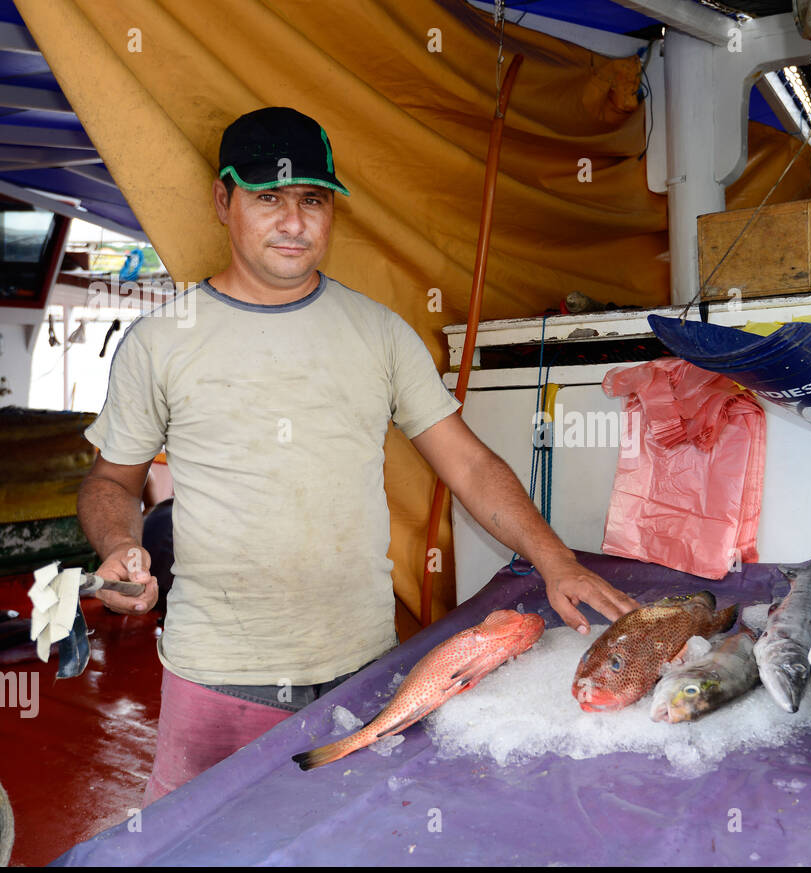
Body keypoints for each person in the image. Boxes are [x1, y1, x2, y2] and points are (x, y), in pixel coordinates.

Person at [78, 107, 638, 803]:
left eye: (312, 200)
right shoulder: (162, 341)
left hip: (362, 671)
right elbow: (111, 480)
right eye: (268, 198)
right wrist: (118, 547)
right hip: (217, 679)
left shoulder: (379, 333)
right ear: (223, 201)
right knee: (205, 851)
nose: (294, 222)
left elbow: (467, 463)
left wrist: (554, 559)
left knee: (349, 844)